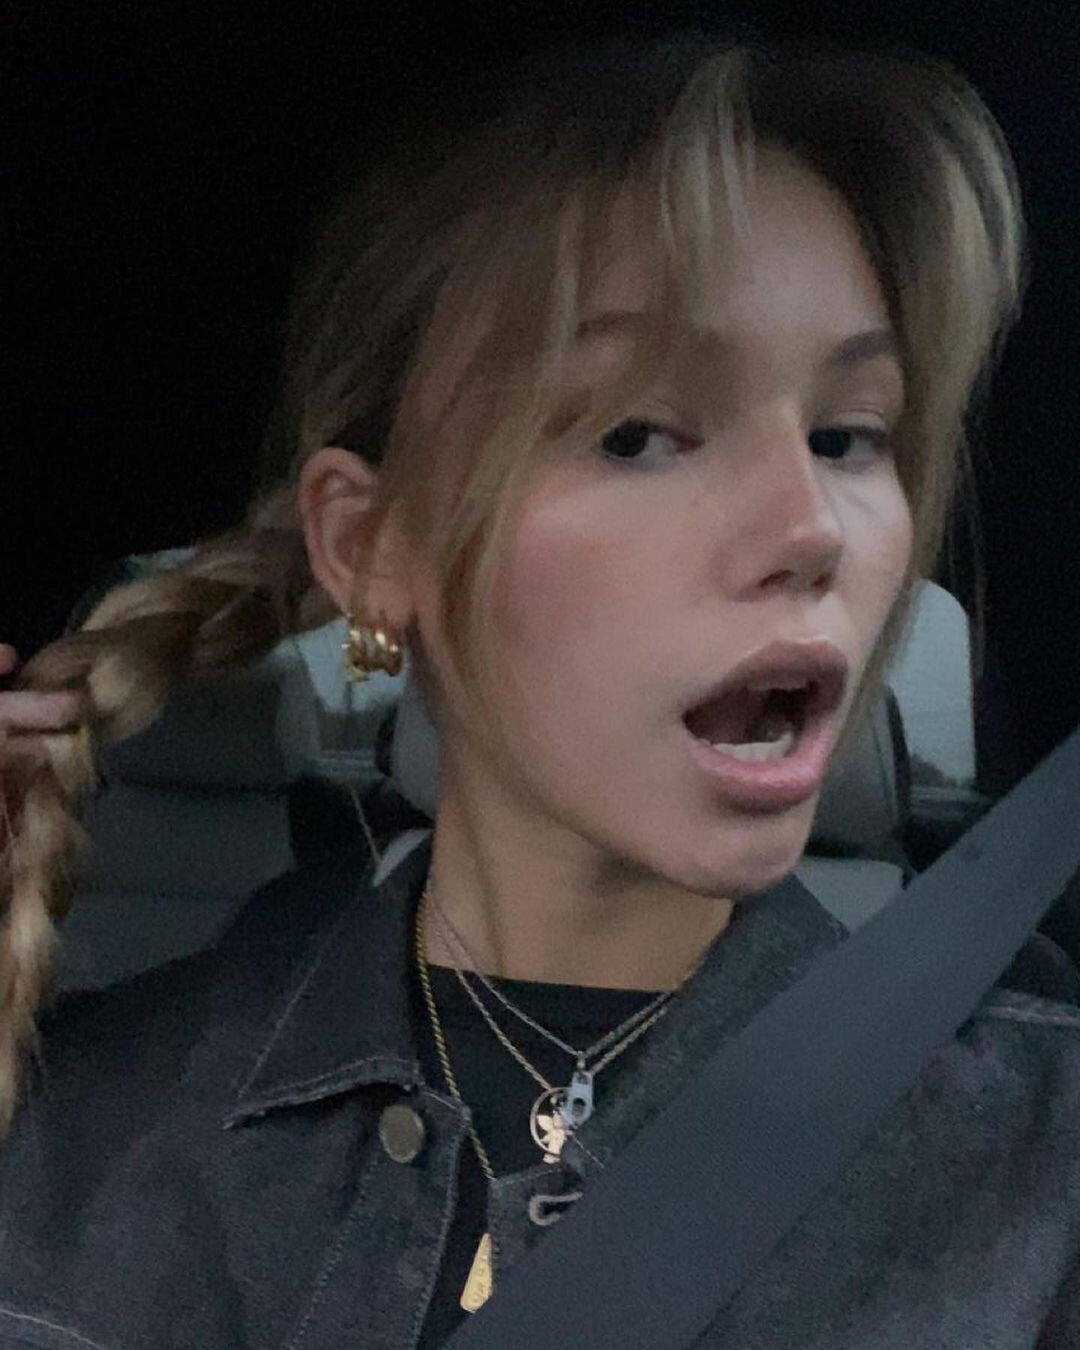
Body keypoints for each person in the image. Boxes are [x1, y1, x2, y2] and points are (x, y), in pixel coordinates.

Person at [2, 27, 1078, 1349]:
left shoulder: (1036, 1156)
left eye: (849, 435)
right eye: (639, 434)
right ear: (374, 548)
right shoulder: (70, 1132)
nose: (812, 527)